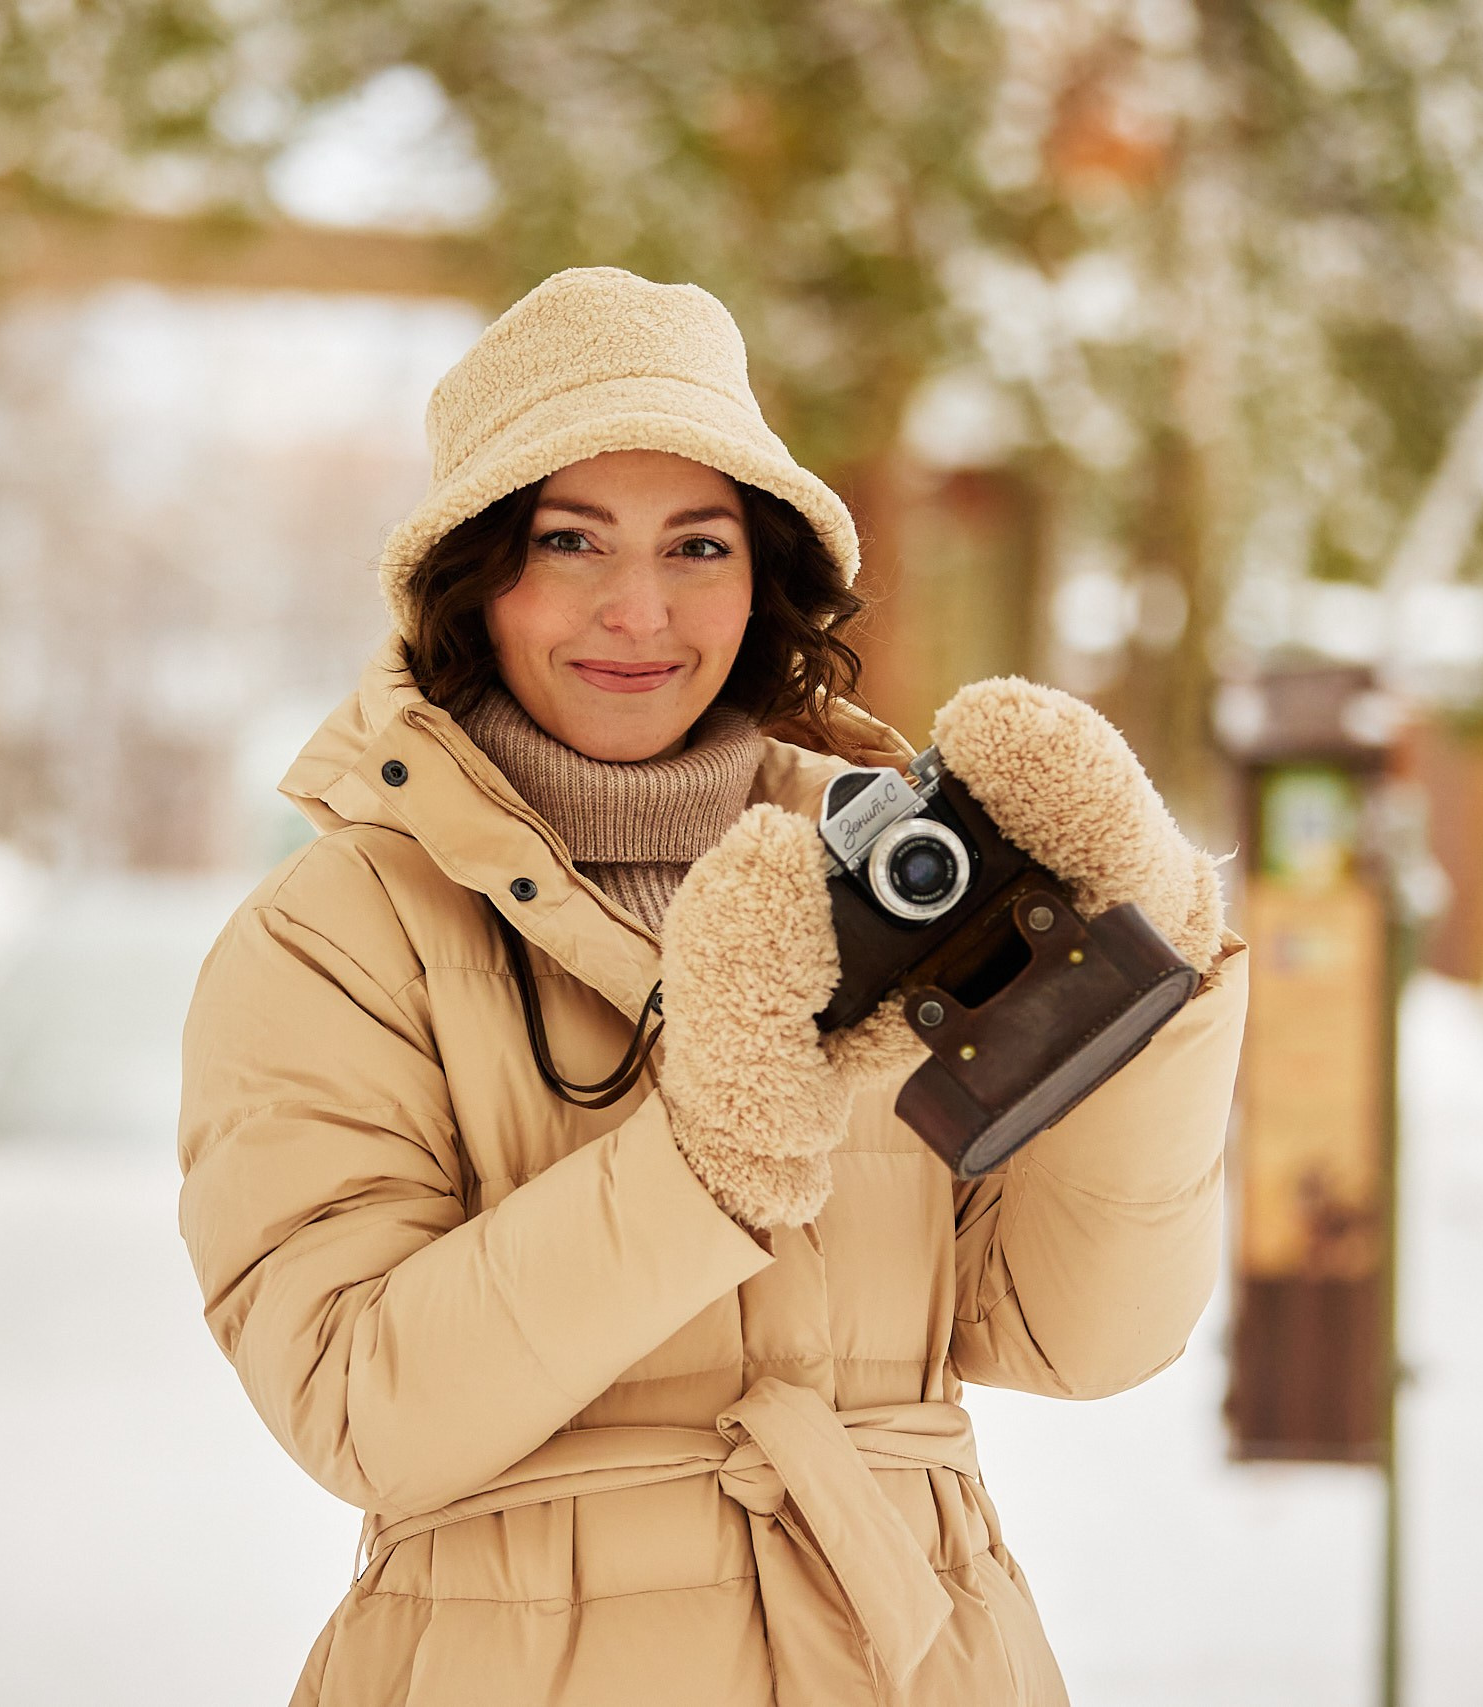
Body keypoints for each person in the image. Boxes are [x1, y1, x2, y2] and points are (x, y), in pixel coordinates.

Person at [177, 266, 1249, 1707]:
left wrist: (1147, 961)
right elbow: (361, 1404)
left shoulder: (891, 869)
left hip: (913, 1657)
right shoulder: (338, 937)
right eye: (571, 540)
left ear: (765, 580)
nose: (641, 610)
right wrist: (707, 1164)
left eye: (700, 545)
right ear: (475, 576)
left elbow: (1079, 1332)